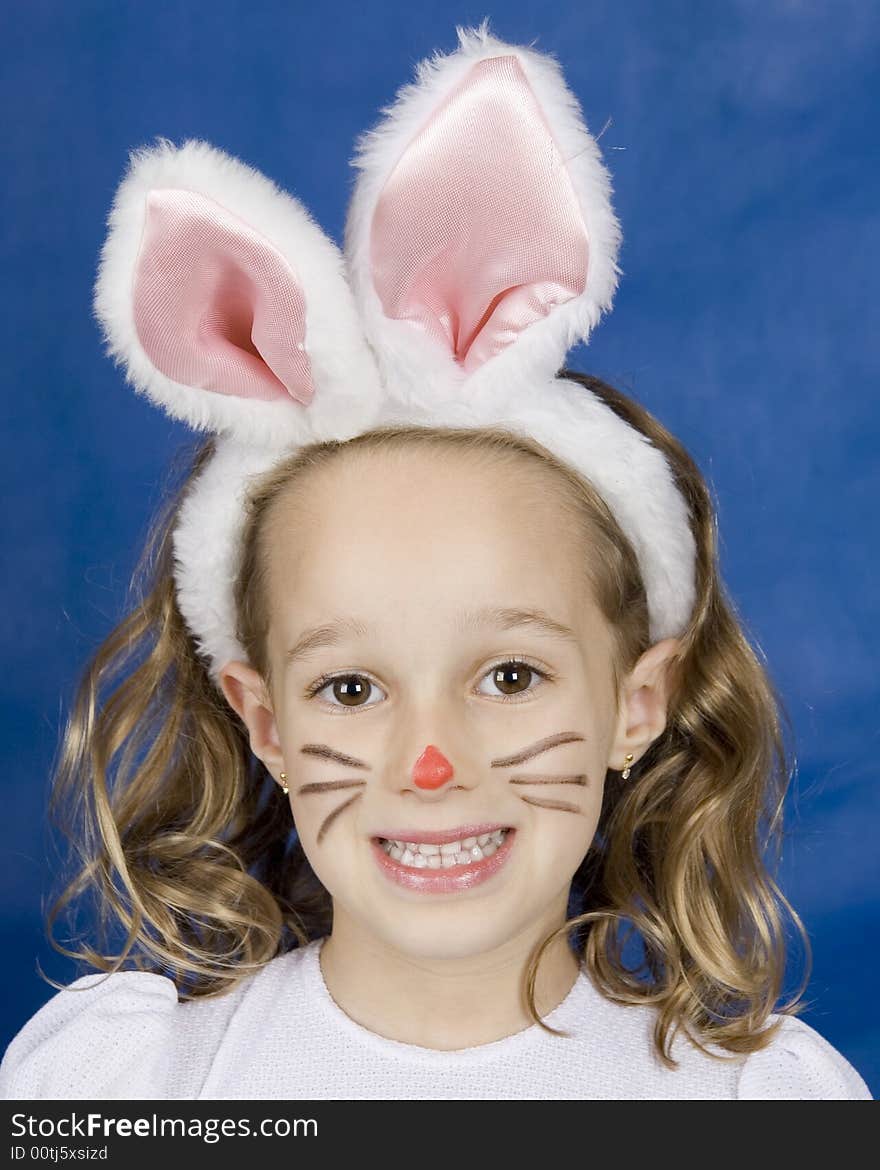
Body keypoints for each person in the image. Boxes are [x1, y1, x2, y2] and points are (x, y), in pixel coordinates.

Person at [0, 22, 871, 1101]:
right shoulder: (132, 1085)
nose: (431, 761)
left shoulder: (755, 1106)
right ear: (265, 720)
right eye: (351, 686)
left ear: (637, 701)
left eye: (509, 675)